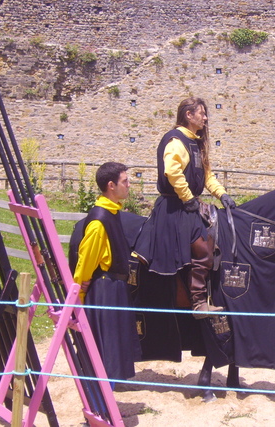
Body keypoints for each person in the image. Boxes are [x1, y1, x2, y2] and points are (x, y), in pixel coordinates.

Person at [146, 96, 236, 319]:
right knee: (204, 249)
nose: (205, 117)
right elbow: (173, 171)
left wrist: (222, 194)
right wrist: (188, 198)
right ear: (189, 115)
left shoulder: (194, 143)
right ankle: (198, 303)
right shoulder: (176, 140)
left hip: (187, 204)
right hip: (174, 207)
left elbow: (207, 176)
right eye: (202, 113)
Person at [73, 161, 140, 384]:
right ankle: (103, 406)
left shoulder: (112, 213)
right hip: (104, 292)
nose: (129, 185)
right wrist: (78, 300)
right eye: (125, 181)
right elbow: (85, 264)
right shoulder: (99, 221)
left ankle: (106, 405)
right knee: (106, 351)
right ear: (111, 185)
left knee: (114, 349)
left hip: (115, 289)